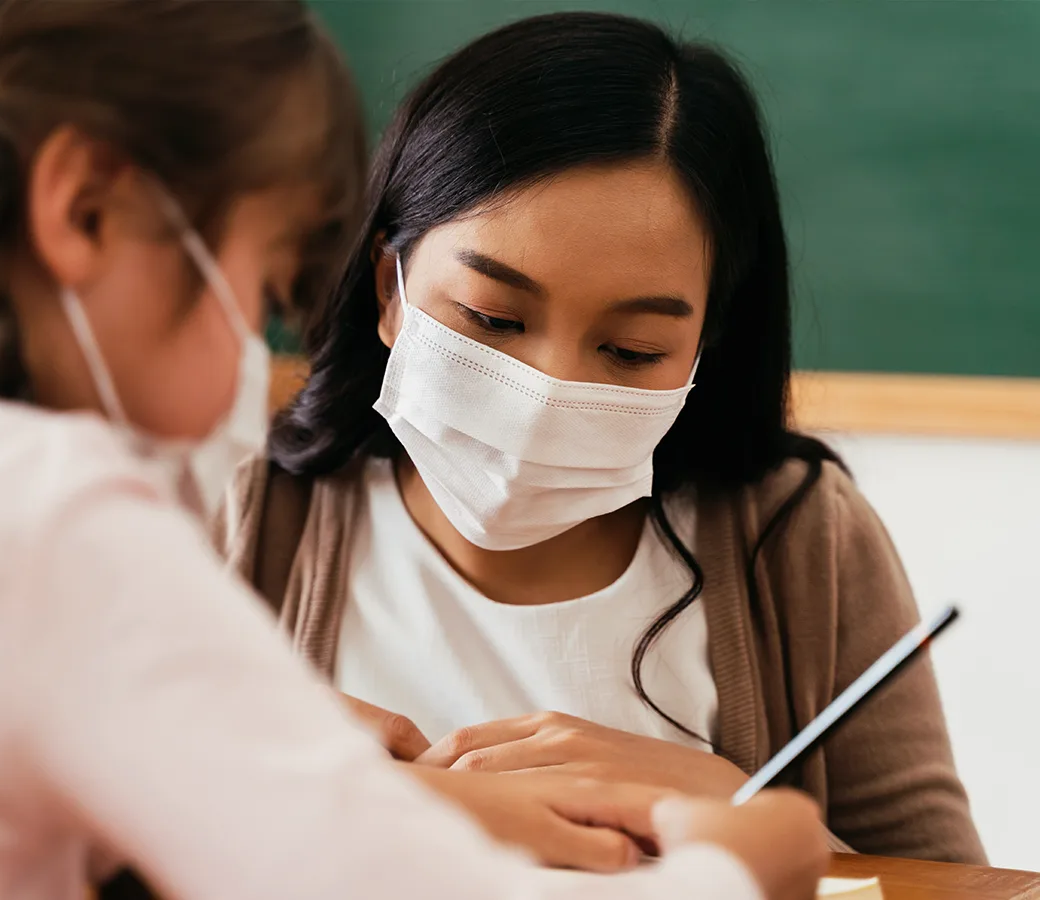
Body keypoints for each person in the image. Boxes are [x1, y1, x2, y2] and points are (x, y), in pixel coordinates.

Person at [0, 1, 832, 899]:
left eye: (630, 350)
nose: (253, 347)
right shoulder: (47, 522)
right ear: (86, 208)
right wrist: (741, 865)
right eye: (267, 284)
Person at [222, 11, 985, 865]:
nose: (546, 395)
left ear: (706, 348)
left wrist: (728, 806)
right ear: (388, 288)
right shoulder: (236, 518)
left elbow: (951, 887)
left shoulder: (797, 537)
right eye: (491, 317)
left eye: (631, 351)